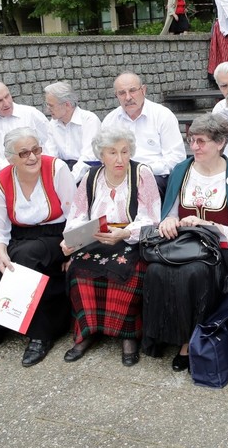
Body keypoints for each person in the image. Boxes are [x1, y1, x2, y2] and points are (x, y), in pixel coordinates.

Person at [146, 114, 228, 371]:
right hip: (183, 244)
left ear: (220, 143)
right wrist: (169, 221)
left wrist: (209, 225)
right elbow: (170, 212)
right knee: (156, 269)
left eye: (201, 141)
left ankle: (188, 341)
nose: (194, 147)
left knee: (193, 271)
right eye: (191, 140)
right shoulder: (182, 170)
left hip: (220, 249)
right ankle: (165, 334)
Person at [0, 127, 76, 367]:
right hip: (19, 235)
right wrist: (0, 251)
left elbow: (75, 214)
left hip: (57, 235)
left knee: (26, 257)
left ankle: (41, 335)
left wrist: (73, 250)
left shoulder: (57, 169)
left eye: (36, 150)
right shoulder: (1, 179)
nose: (32, 157)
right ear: (11, 158)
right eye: (24, 153)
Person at [60, 127, 161, 366]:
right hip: (97, 237)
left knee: (128, 270)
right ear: (101, 155)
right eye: (112, 152)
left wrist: (125, 233)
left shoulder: (141, 173)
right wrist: (71, 239)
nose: (120, 159)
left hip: (131, 239)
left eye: (125, 152)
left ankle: (128, 336)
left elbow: (152, 218)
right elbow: (77, 214)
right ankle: (88, 331)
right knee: (78, 268)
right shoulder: (91, 176)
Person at [101, 72, 185, 196]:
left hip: (155, 176)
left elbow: (177, 158)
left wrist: (143, 170)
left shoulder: (162, 115)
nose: (128, 97)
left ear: (143, 90)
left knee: (137, 190)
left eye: (132, 91)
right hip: (120, 175)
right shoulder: (110, 120)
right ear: (116, 95)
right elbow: (103, 155)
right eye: (122, 93)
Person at [0, 81, 55, 209]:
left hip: (32, 168)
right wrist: (9, 171)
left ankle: (14, 220)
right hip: (2, 170)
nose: (6, 103)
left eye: (7, 96)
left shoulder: (30, 113)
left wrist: (39, 166)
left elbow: (50, 142)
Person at [43, 81, 100, 180]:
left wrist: (70, 180)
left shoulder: (89, 120)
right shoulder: (53, 123)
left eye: (51, 105)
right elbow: (50, 156)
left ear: (67, 105)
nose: (47, 110)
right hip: (62, 173)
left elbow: (88, 158)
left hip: (87, 175)